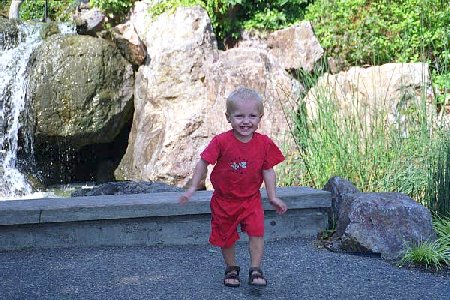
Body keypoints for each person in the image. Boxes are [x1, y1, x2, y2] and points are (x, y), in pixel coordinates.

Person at [178, 87, 288, 288]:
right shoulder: (221, 141)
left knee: (257, 232)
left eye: (252, 116)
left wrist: (273, 196)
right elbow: (203, 162)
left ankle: (255, 269)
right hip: (224, 201)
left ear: (260, 118)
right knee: (226, 237)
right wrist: (193, 186)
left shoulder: (264, 143)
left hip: (251, 200)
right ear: (228, 117)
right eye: (239, 116)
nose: (246, 121)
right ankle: (231, 267)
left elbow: (268, 170)